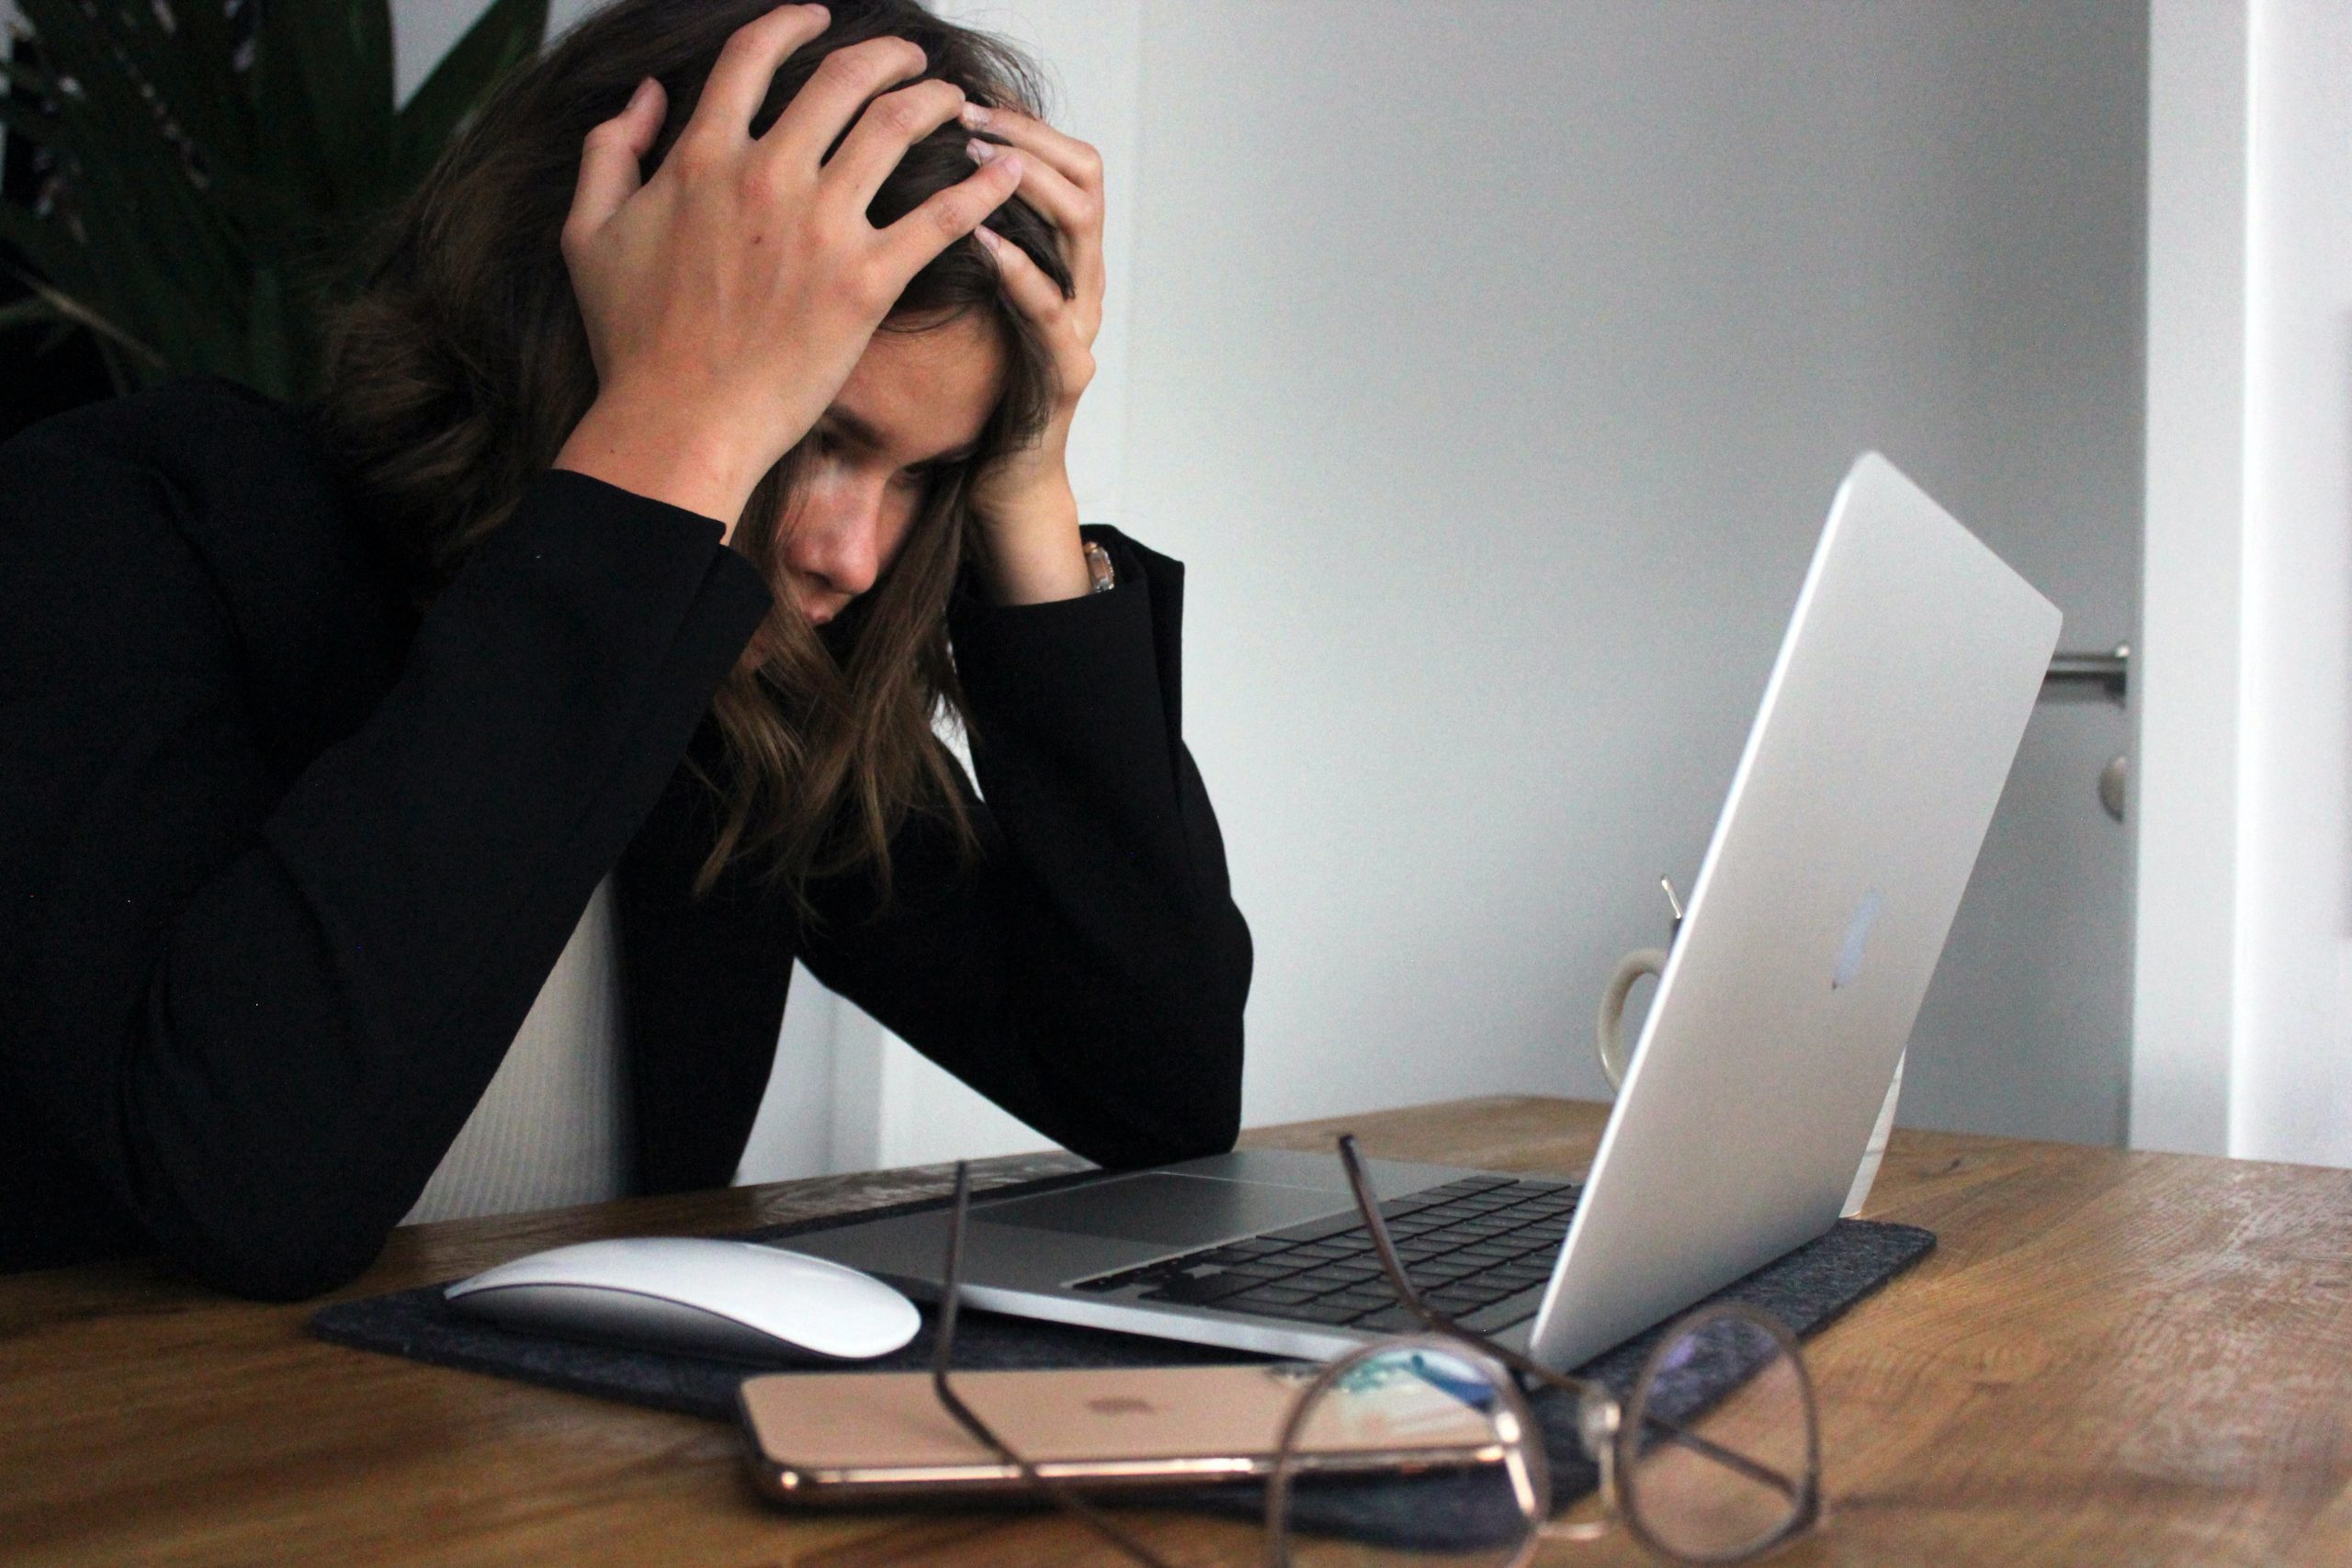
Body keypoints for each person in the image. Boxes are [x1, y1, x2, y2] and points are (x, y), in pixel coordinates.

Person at [0, 0, 1250, 1300]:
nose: (851, 556)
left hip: (567, 1488)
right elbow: (252, 1190)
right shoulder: (116, 525)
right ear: (580, 305)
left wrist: (1024, 485)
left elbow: (1154, 1088)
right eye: (815, 431)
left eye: (922, 478)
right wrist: (676, 431)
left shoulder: (738, 687)